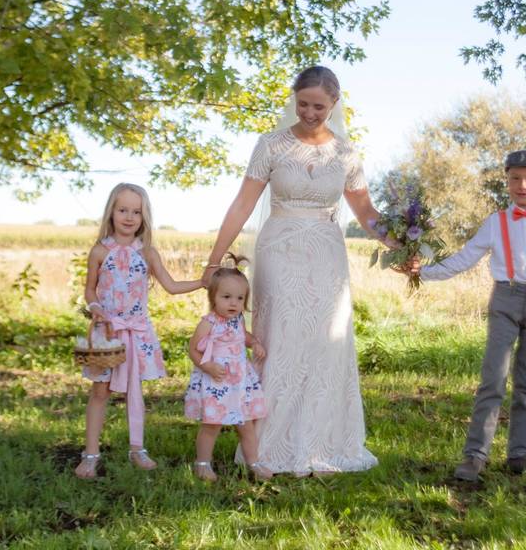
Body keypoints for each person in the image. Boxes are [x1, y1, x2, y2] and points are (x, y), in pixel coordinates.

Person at [201, 66, 393, 475]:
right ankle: (266, 445)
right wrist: (215, 259)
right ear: (294, 100)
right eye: (302, 103)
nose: (308, 112)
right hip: (279, 250)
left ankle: (324, 443)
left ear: (334, 104)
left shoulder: (346, 154)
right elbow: (242, 204)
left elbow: (366, 212)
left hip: (326, 255)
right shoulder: (270, 145)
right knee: (280, 340)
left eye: (318, 106)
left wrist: (401, 242)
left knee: (326, 342)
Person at [409, 150, 526, 482]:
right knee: (493, 378)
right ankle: (475, 456)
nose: (522, 185)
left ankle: (520, 455)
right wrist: (423, 273)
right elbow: (465, 258)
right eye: (515, 179)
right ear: (507, 181)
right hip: (506, 299)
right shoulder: (496, 222)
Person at [75, 183, 203, 480]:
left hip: (137, 332)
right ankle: (90, 454)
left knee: (136, 390)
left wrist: (201, 282)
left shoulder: (147, 253)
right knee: (100, 391)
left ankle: (137, 448)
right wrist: (96, 309)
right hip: (107, 333)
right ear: (112, 212)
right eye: (123, 210)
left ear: (144, 217)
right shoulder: (99, 251)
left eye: (136, 212)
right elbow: (89, 290)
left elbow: (171, 286)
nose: (129, 217)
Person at [184, 253, 271, 482]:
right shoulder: (208, 322)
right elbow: (193, 350)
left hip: (240, 380)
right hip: (217, 380)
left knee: (247, 424)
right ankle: (202, 464)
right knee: (212, 424)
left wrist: (255, 343)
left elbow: (242, 336)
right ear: (213, 298)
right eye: (226, 297)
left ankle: (254, 463)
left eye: (240, 298)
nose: (234, 303)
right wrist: (209, 366)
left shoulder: (238, 319)